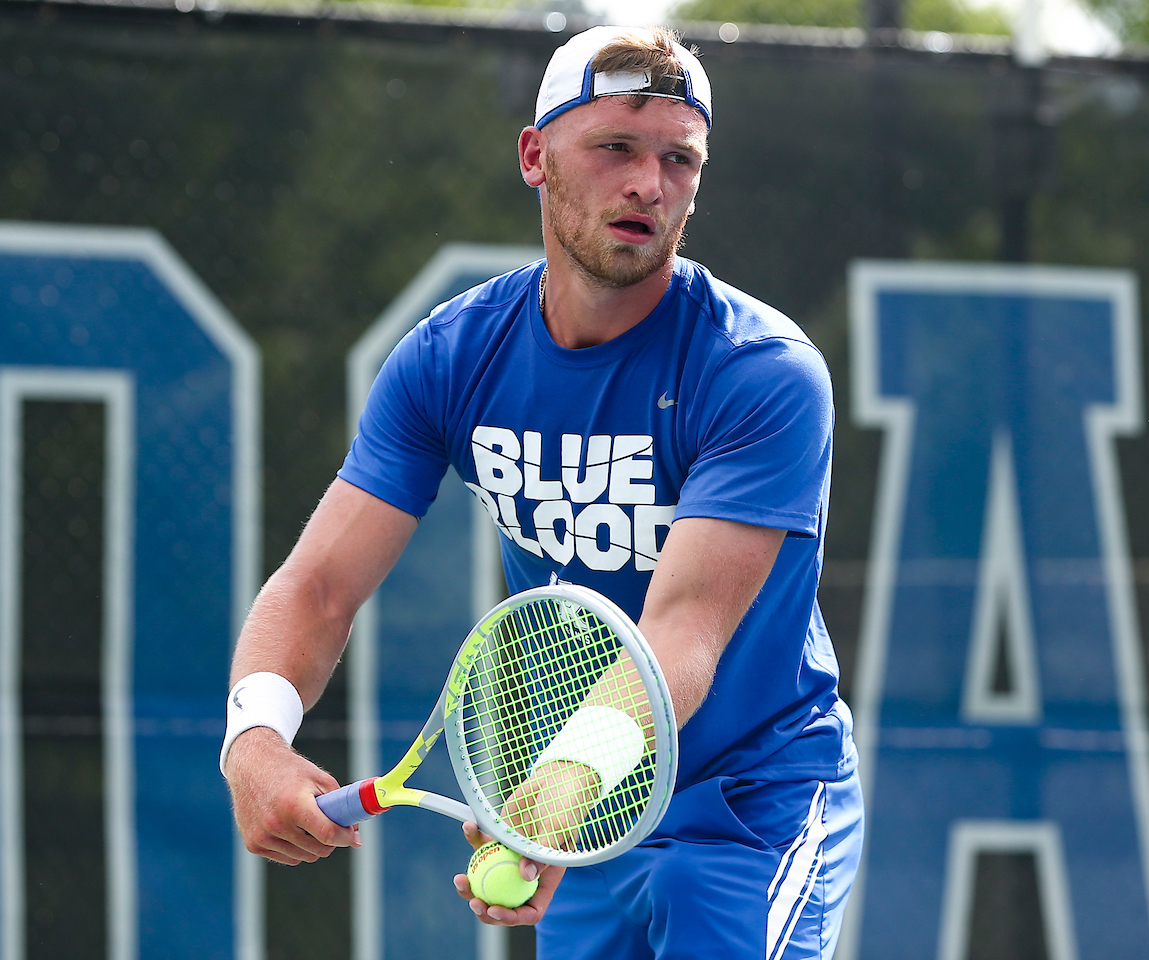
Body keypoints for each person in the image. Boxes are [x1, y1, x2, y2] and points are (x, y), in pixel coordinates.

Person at [221, 25, 863, 960]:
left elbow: (682, 634)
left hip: (750, 804)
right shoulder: (450, 359)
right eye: (616, 148)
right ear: (536, 155)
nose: (650, 183)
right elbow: (317, 588)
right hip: (589, 813)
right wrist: (255, 742)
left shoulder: (760, 373)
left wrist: (561, 788)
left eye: (679, 159)